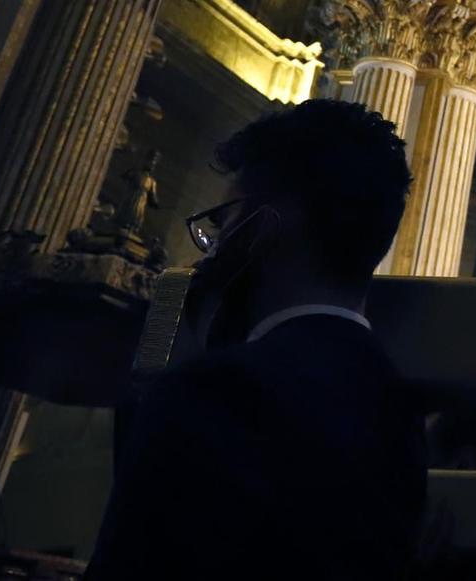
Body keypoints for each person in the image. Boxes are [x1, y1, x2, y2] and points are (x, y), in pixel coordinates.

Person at [85, 99, 426, 580]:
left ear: (265, 225)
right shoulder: (404, 415)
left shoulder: (213, 392)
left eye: (224, 222)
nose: (210, 252)